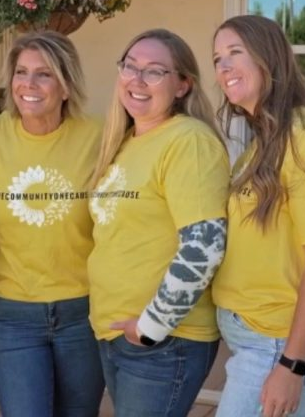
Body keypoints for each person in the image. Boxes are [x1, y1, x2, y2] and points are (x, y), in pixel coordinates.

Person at [212, 15, 305, 417]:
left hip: (278, 344)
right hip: (258, 338)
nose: (223, 67)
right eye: (217, 58)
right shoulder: (265, 141)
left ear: (269, 58)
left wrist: (292, 365)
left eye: (235, 52)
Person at [0, 31, 105, 416]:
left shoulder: (100, 136)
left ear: (66, 85)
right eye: (21, 72)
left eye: (44, 74)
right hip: (13, 315)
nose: (29, 84)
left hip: (83, 312)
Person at [88, 29, 230, 416]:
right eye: (130, 67)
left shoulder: (188, 141)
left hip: (165, 341)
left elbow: (204, 246)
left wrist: (150, 327)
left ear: (183, 85)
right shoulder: (125, 142)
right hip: (119, 334)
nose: (137, 79)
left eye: (154, 71)